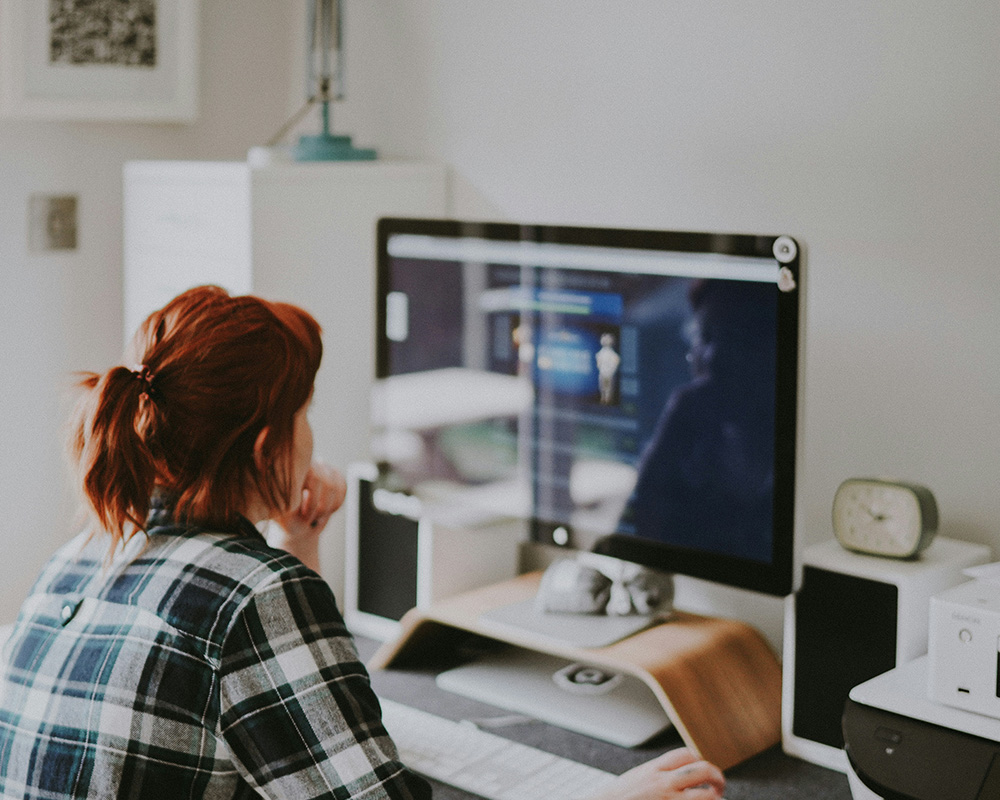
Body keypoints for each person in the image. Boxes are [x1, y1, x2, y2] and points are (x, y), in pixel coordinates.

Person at [0, 285, 724, 800]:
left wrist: (295, 540)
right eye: (305, 413)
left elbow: (282, 715)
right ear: (267, 446)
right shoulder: (254, 593)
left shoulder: (81, 557)